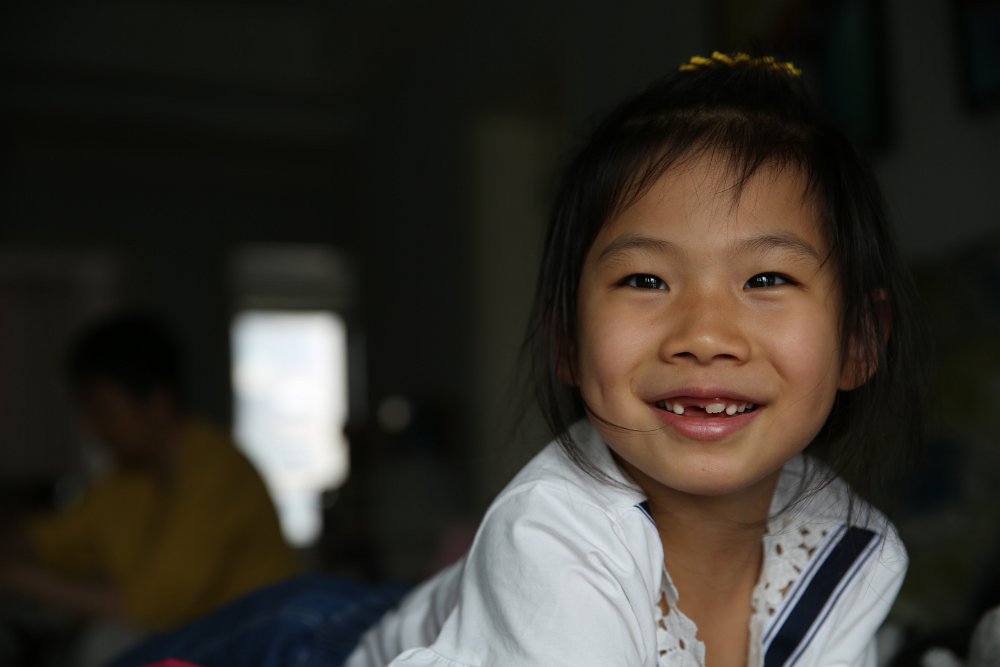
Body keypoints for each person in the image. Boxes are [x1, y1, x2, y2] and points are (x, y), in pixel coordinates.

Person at [110, 51, 928, 667]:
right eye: (646, 279)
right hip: (315, 641)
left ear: (860, 341)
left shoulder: (851, 550)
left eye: (767, 279)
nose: (705, 333)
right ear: (567, 339)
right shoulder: (553, 536)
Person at [0, 312, 300, 644]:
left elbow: (153, 607)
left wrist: (16, 577)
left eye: (105, 411)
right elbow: (54, 540)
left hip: (258, 650)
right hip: (197, 647)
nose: (91, 429)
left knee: (110, 641)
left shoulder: (218, 474)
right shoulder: (127, 480)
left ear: (158, 403)